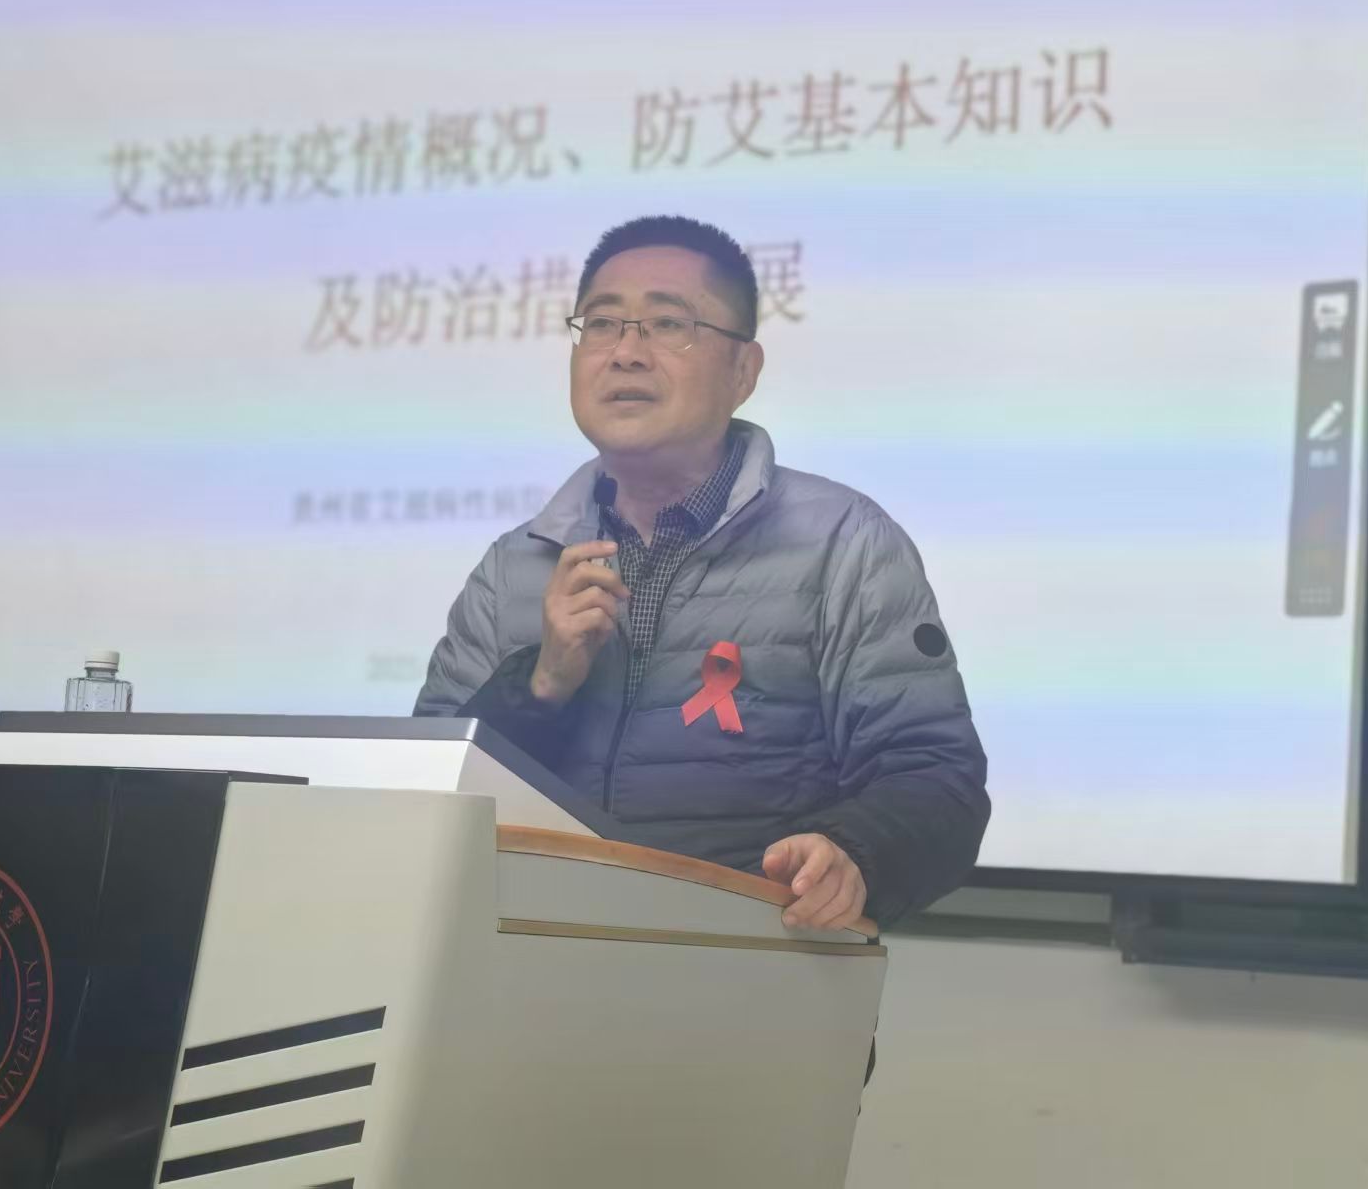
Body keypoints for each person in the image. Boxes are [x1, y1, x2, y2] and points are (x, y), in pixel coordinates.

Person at [415, 215, 988, 933]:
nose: (626, 353)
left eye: (667, 324)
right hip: (524, 963)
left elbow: (936, 777)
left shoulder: (844, 543)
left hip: (754, 968)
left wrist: (854, 854)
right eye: (601, 323)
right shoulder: (514, 567)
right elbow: (424, 798)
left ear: (744, 371)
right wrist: (540, 685)